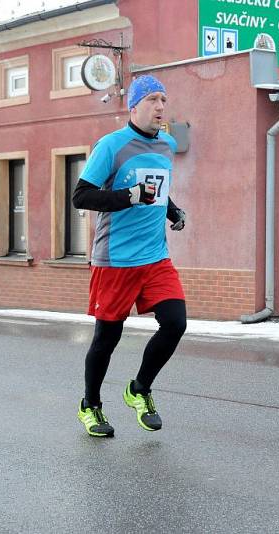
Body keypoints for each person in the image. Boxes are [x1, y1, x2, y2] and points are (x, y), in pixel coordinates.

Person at [72, 74, 187, 438]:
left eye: (164, 100)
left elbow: (156, 191)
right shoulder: (112, 146)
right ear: (133, 105)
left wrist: (173, 211)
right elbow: (82, 196)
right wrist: (128, 197)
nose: (160, 107)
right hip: (116, 259)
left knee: (175, 323)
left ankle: (139, 390)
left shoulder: (167, 145)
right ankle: (90, 405)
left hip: (155, 256)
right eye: (152, 99)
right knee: (107, 338)